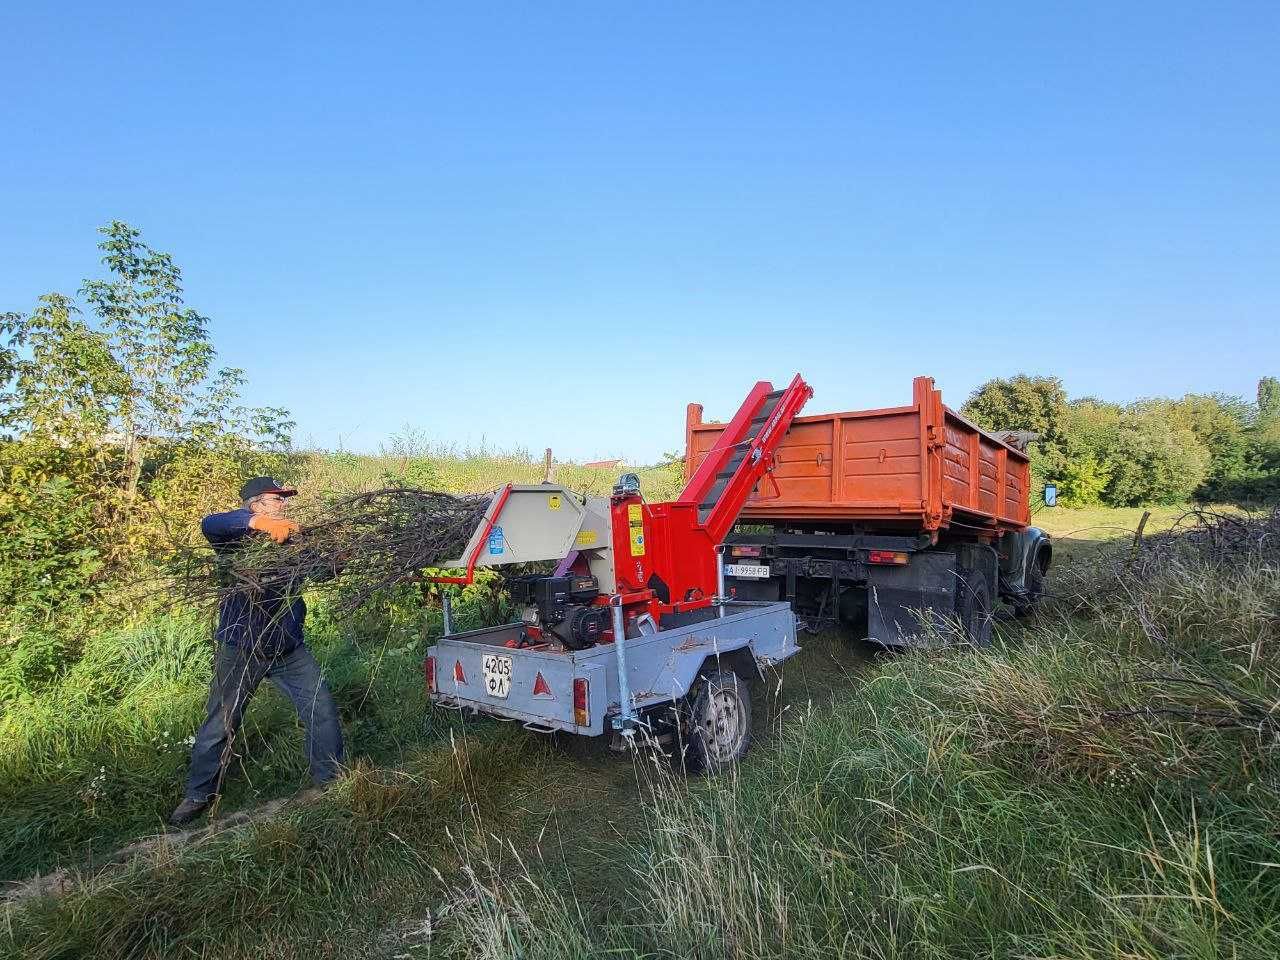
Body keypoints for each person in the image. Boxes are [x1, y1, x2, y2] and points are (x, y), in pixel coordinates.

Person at [169, 477, 345, 826]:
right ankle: (198, 794)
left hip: (288, 647)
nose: (283, 505)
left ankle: (331, 781)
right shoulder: (234, 540)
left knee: (321, 709)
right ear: (256, 504)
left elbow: (322, 572)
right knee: (221, 721)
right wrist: (256, 524)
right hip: (241, 648)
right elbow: (211, 523)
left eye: (282, 501)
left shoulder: (291, 541)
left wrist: (338, 557)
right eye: (276, 500)